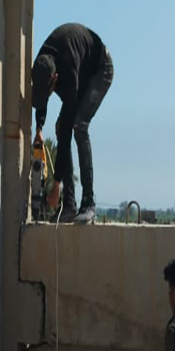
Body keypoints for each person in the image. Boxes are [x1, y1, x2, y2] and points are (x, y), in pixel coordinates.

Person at [31, 23, 113, 223]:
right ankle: (69, 206)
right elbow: (41, 95)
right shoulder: (42, 64)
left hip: (100, 69)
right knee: (63, 126)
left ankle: (88, 203)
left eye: (50, 90)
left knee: (78, 126)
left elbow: (66, 131)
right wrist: (39, 128)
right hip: (82, 66)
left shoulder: (67, 73)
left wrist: (56, 183)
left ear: (55, 79)